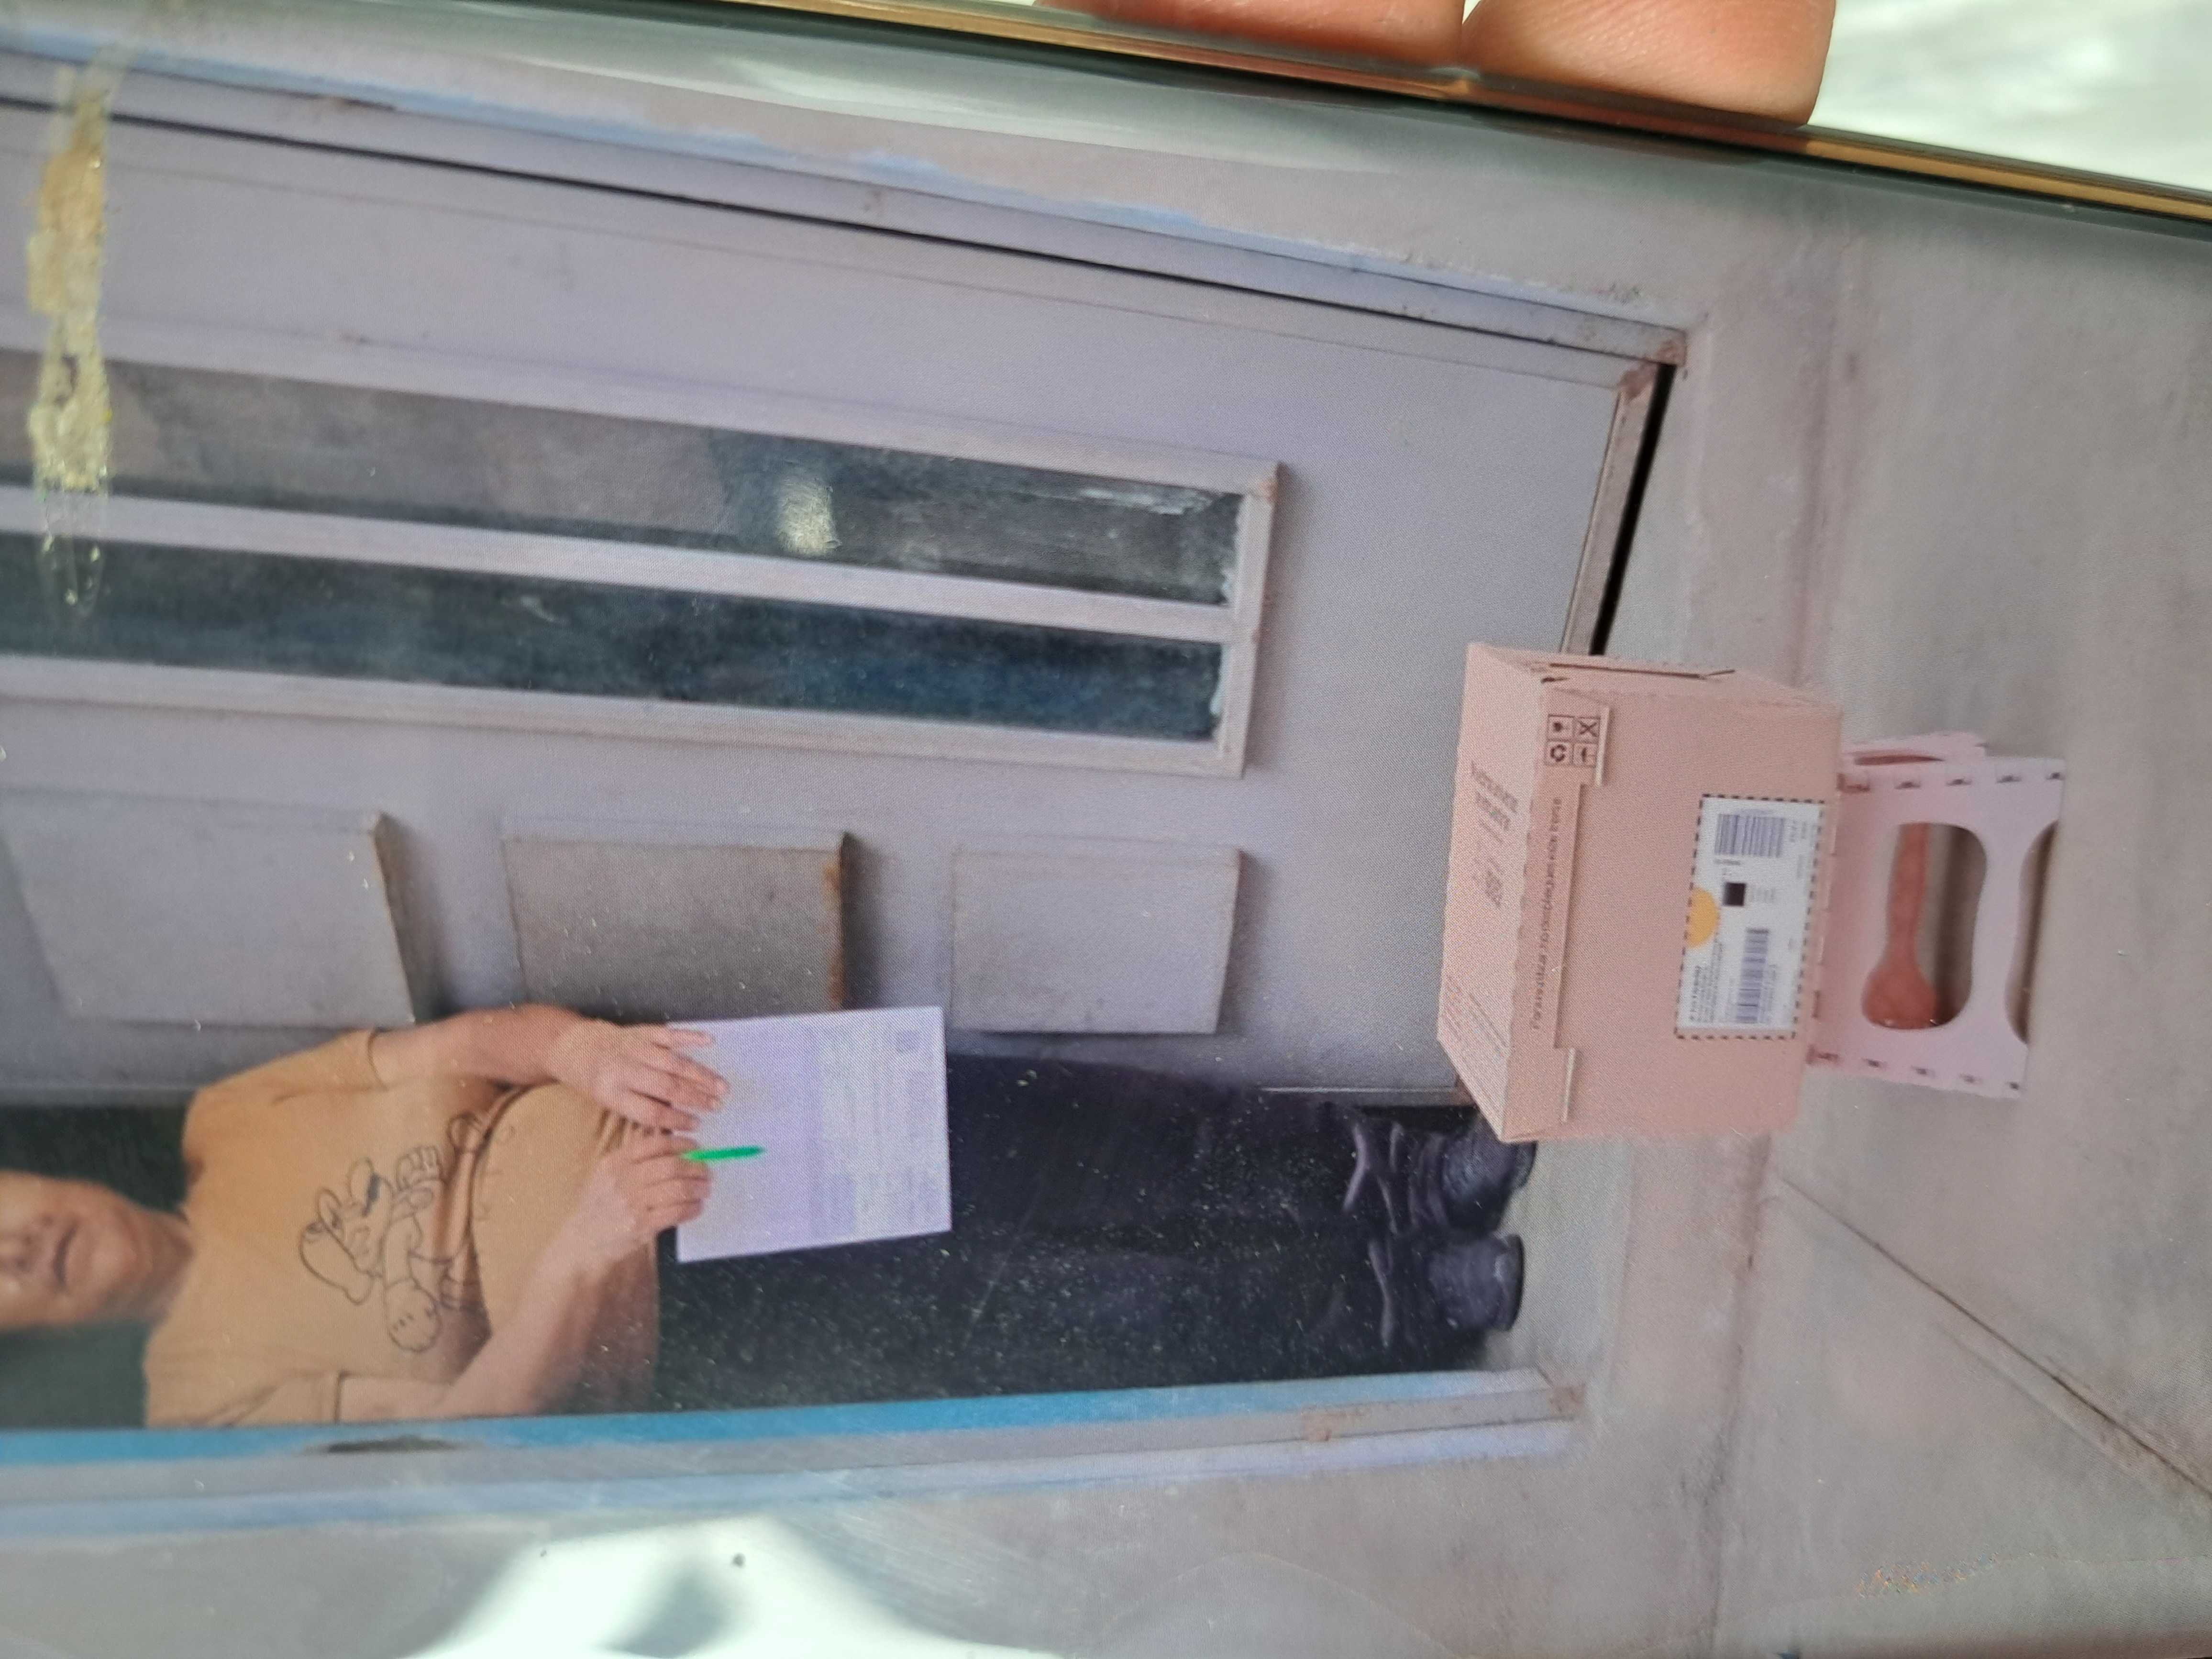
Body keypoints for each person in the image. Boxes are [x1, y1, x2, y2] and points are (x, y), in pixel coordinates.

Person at [0, 1008, 1531, 1426]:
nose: (16, 1248)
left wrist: (583, 1052)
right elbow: (463, 1434)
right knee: (1091, 1317)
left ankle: (1403, 1184)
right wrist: (585, 1247)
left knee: (1079, 1134)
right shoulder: (198, 1402)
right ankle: (1406, 1304)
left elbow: (466, 1044)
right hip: (701, 1313)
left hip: (713, 1111)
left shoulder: (228, 1121)